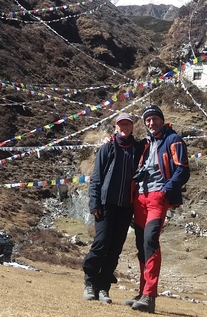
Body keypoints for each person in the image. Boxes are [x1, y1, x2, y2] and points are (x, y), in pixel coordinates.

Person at [126, 104, 190, 313]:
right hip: (140, 199)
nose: (151, 123)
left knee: (151, 241)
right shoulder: (146, 144)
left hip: (157, 198)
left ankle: (150, 296)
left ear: (162, 120)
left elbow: (183, 170)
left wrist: (165, 190)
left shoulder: (174, 140)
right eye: (148, 120)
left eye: (155, 119)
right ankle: (142, 291)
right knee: (141, 245)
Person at [82, 112, 143, 304]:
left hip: (126, 207)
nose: (124, 128)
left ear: (132, 127)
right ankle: (90, 282)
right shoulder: (107, 149)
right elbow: (96, 179)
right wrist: (94, 203)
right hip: (106, 205)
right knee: (101, 244)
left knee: (115, 248)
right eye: (121, 125)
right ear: (115, 128)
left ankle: (103, 287)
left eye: (128, 125)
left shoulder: (138, 149)